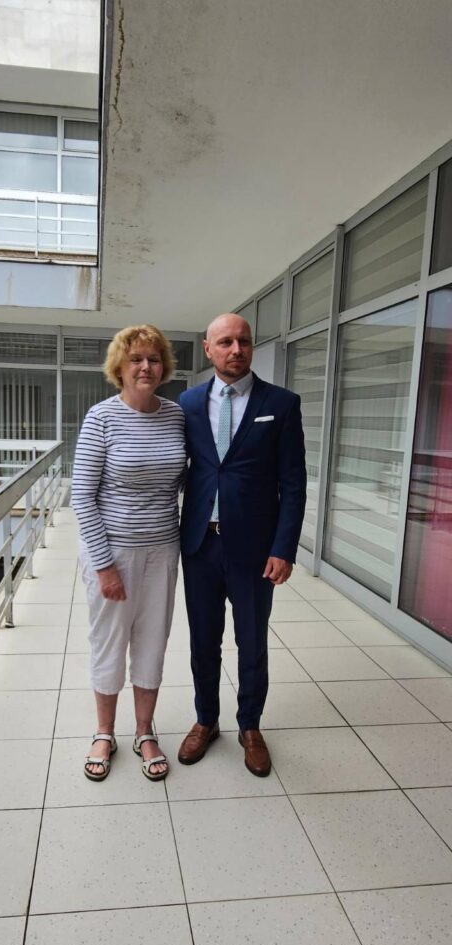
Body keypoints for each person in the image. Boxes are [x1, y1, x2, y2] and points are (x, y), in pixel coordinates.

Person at [178, 313, 306, 776]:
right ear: (209, 350)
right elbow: (182, 469)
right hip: (199, 547)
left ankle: (250, 726)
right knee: (202, 641)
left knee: (251, 642)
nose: (237, 350)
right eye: (226, 342)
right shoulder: (188, 404)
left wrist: (284, 547)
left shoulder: (282, 404)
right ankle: (206, 720)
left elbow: (293, 484)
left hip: (255, 551)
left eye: (244, 342)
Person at [71, 325, 185, 782]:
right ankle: (104, 732)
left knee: (153, 643)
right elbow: (82, 495)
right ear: (119, 367)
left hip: (162, 550)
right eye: (135, 358)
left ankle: (143, 732)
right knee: (109, 643)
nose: (145, 366)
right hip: (113, 551)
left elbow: (183, 482)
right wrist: (104, 566)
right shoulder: (101, 418)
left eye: (153, 359)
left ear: (164, 367)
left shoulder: (176, 415)